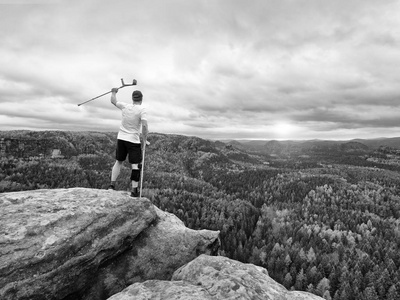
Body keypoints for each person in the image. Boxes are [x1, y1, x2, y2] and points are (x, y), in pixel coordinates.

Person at [108, 87, 148, 197]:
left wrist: (113, 92)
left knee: (118, 161)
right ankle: (134, 190)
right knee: (135, 165)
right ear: (141, 99)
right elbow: (144, 125)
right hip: (133, 141)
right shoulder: (142, 110)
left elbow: (113, 101)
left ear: (132, 98)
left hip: (121, 138)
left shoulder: (125, 106)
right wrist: (144, 139)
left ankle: (111, 185)